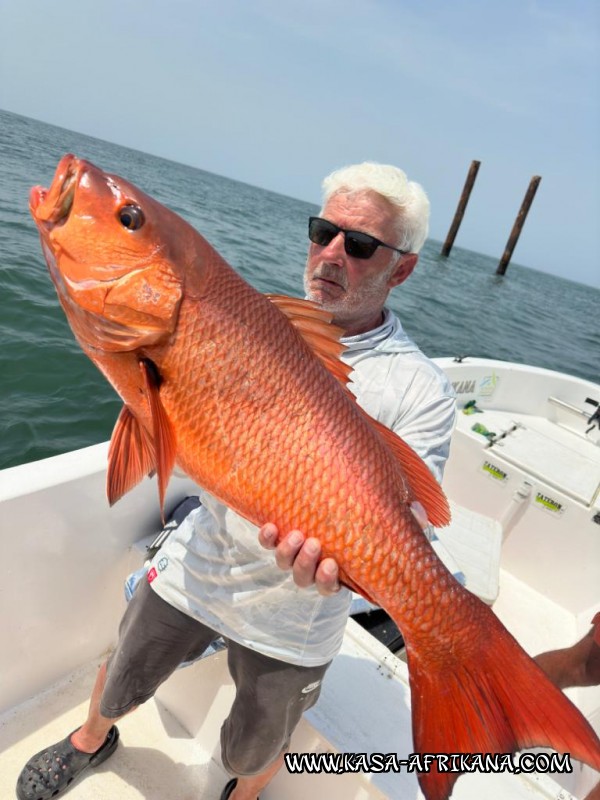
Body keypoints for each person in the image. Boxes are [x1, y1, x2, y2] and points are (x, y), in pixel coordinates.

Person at [16, 162, 457, 800]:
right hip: (206, 561)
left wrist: (381, 578)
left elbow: (409, 523)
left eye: (359, 245)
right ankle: (91, 738)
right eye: (322, 231)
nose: (331, 254)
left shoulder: (421, 390)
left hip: (301, 615)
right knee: (125, 668)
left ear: (404, 267)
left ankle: (241, 795)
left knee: (262, 739)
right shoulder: (259, 322)